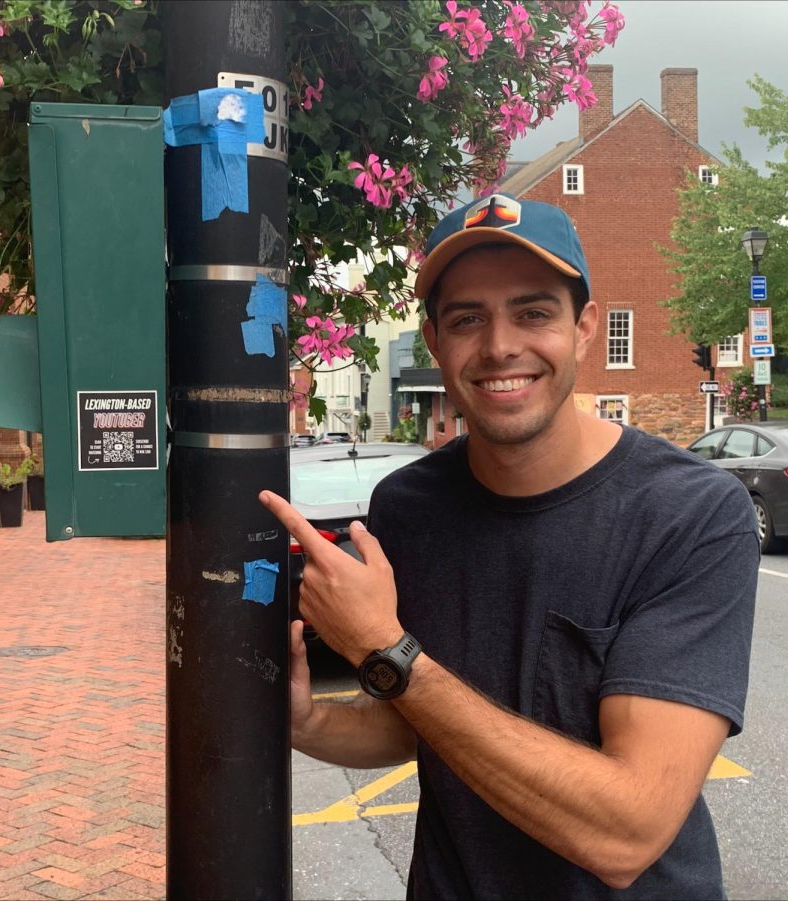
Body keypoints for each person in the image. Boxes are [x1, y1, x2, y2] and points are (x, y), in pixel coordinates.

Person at [260, 194, 759, 899]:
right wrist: (309, 720)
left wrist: (385, 649)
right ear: (434, 341)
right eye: (468, 319)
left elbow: (629, 831)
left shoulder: (690, 513)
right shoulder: (407, 507)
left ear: (584, 327)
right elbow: (418, 730)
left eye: (533, 312)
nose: (500, 346)